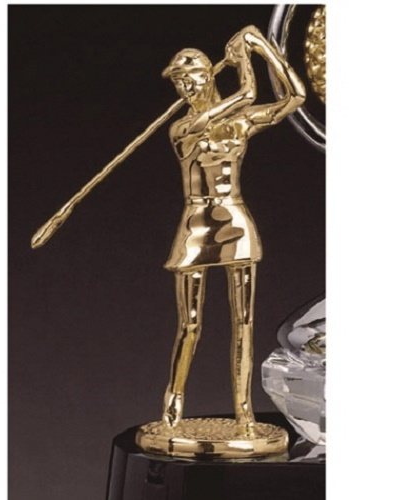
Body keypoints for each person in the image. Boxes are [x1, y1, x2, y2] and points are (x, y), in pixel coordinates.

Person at [160, 25, 305, 434]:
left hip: (236, 223)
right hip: (196, 224)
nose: (185, 88)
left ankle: (244, 410)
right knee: (190, 323)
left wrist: (268, 53)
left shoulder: (240, 123)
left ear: (208, 75)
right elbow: (247, 93)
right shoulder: (183, 129)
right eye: (178, 82)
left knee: (244, 322)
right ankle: (173, 400)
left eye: (190, 78)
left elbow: (295, 97)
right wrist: (248, 51)